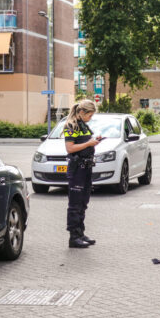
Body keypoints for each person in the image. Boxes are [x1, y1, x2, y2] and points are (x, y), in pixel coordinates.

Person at [63, 99, 101, 248]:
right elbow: (70, 148)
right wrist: (88, 144)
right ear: (81, 112)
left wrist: (94, 141)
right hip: (77, 169)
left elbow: (85, 143)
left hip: (86, 168)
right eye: (89, 115)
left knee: (84, 202)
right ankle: (73, 237)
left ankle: (80, 233)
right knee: (75, 204)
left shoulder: (84, 126)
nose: (90, 118)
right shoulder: (71, 126)